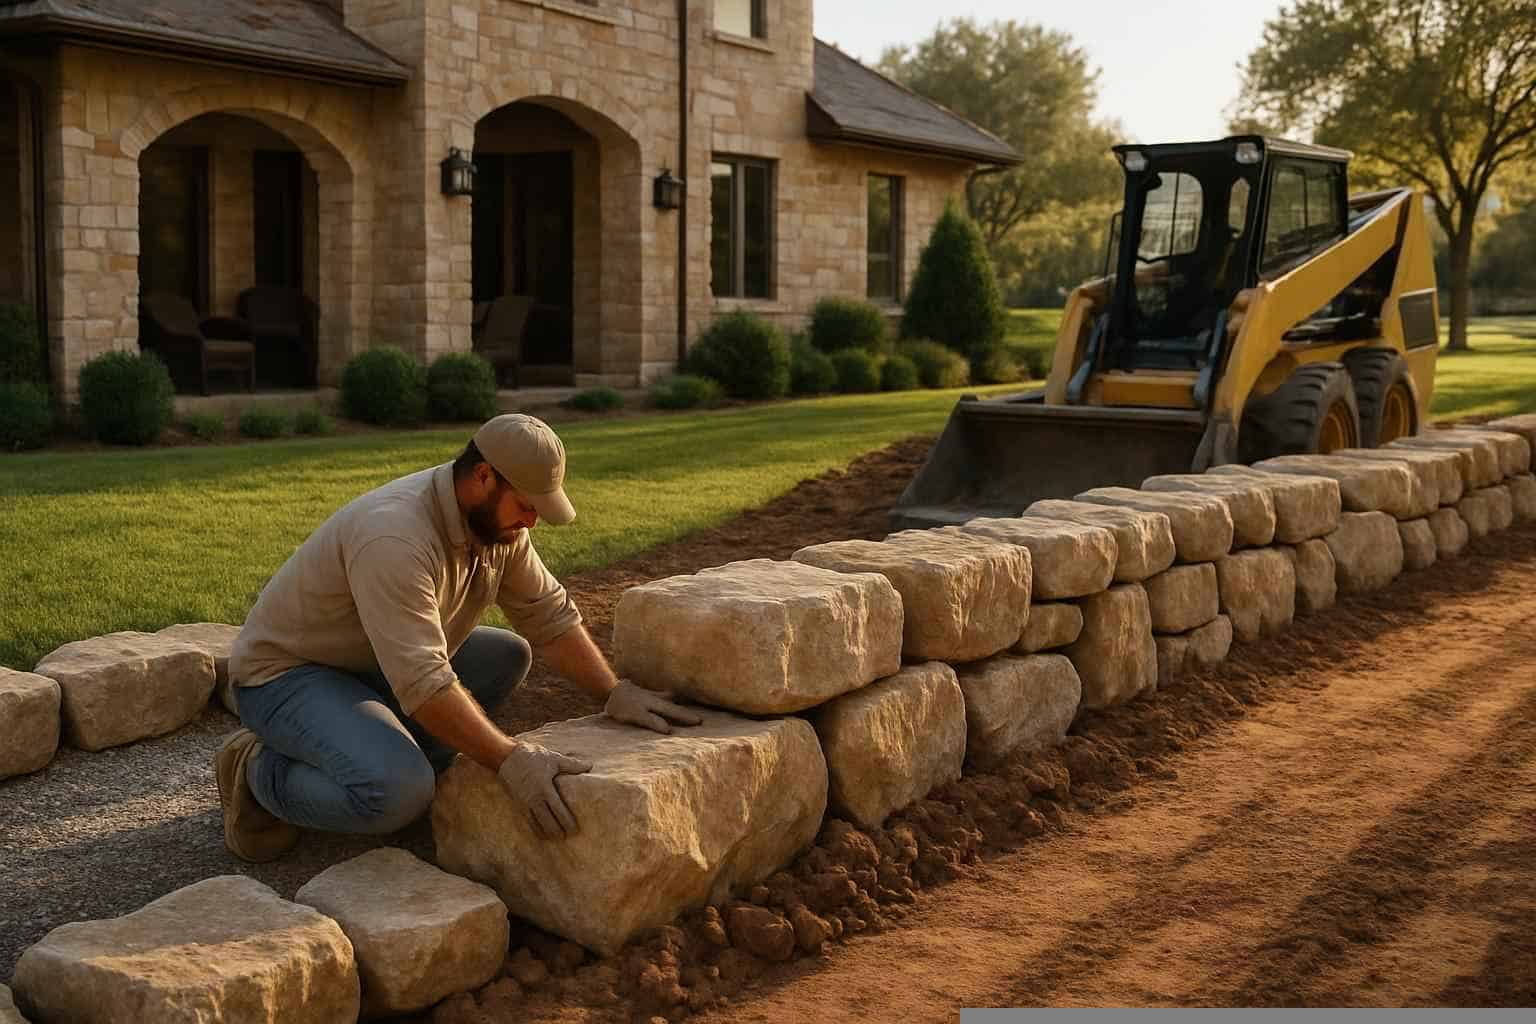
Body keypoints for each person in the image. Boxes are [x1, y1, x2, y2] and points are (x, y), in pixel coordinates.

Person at [216, 413, 700, 862]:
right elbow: (424, 681)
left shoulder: (496, 523)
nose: (532, 522)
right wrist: (512, 760)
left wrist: (613, 692)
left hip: (372, 666)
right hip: (288, 677)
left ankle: (365, 736)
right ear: (484, 476)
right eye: (526, 506)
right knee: (398, 791)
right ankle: (258, 771)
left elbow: (548, 615)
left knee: (507, 655)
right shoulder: (396, 537)